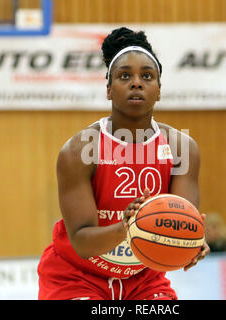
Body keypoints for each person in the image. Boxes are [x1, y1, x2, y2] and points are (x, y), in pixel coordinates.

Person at [37, 27, 210, 300]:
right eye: (125, 75)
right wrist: (127, 227)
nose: (136, 83)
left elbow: (181, 217)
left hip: (143, 279)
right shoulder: (81, 149)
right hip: (76, 274)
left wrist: (191, 243)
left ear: (159, 90)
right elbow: (81, 241)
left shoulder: (180, 147)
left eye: (147, 76)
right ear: (108, 89)